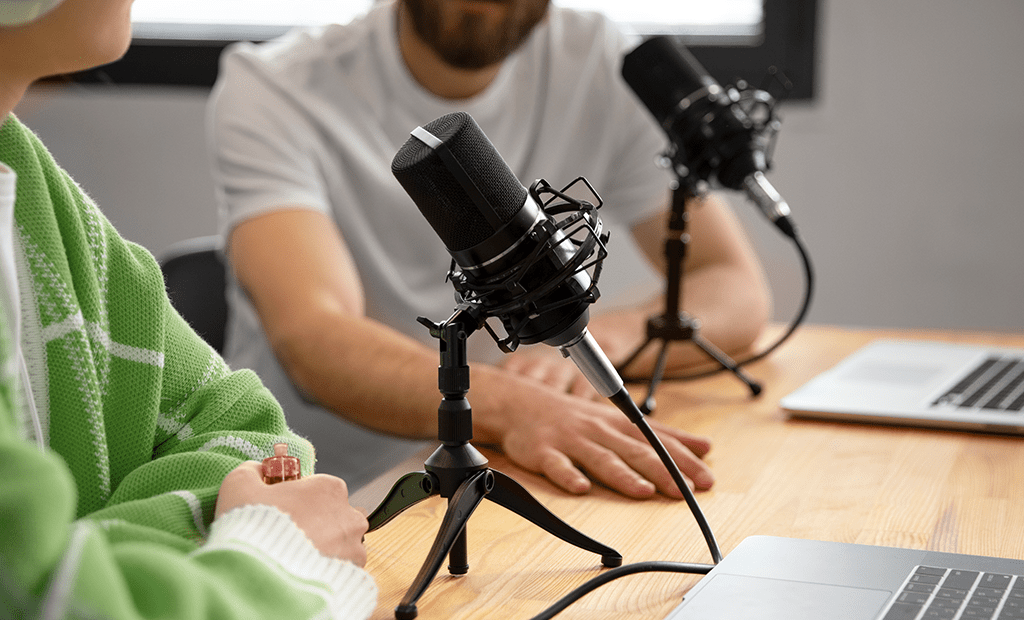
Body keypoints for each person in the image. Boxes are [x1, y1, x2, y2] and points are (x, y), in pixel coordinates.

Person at [207, 0, 771, 499]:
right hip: (315, 486)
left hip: (515, 462)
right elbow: (314, 337)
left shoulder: (598, 62)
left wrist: (609, 342)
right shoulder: (273, 85)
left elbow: (731, 283)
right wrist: (513, 407)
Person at [0, 0, 376, 616]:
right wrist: (270, 551)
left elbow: (250, 431)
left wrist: (100, 559)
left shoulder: (36, 189)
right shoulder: (279, 77)